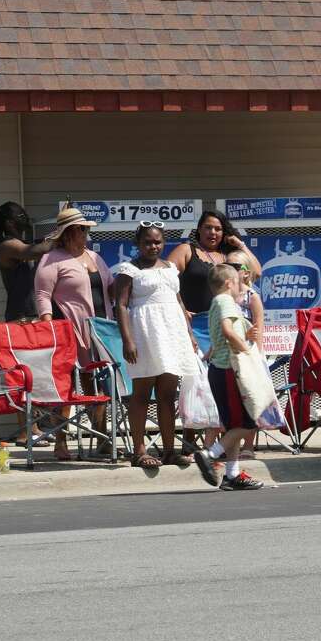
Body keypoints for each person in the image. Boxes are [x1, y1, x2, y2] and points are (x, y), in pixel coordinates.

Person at [113, 223, 198, 469]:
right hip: (145, 333)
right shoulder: (129, 270)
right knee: (141, 393)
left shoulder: (171, 268)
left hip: (172, 334)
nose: (153, 246)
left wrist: (189, 334)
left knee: (167, 394)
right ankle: (139, 451)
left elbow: (179, 302)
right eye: (148, 242)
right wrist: (128, 339)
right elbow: (121, 305)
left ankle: (170, 450)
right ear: (138, 244)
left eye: (158, 242)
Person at [35, 207, 115, 460]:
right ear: (68, 233)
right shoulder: (52, 259)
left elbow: (111, 287)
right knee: (67, 386)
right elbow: (43, 295)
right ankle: (61, 441)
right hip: (70, 330)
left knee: (101, 383)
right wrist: (49, 325)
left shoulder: (94, 256)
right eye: (82, 229)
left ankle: (101, 437)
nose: (86, 233)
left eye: (86, 229)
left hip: (101, 329)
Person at [0, 201, 57, 444]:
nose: (25, 217)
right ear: (9, 222)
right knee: (22, 377)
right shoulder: (7, 246)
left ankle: (34, 428)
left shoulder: (24, 244)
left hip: (33, 316)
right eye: (20, 215)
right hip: (20, 318)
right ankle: (26, 431)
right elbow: (34, 252)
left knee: (35, 376)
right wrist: (60, 231)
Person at [191, 264, 264, 490]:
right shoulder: (225, 301)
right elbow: (227, 331)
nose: (241, 288)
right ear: (228, 284)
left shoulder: (217, 303)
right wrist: (246, 350)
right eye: (239, 283)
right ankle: (210, 454)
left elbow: (223, 335)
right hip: (229, 370)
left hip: (220, 370)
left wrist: (246, 333)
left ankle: (232, 474)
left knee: (233, 426)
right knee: (250, 423)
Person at [168, 210, 263, 353]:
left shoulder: (229, 257)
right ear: (199, 229)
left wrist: (240, 245)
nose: (213, 232)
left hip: (226, 323)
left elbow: (256, 272)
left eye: (218, 229)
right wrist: (178, 307)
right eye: (208, 227)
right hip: (195, 326)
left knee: (223, 371)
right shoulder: (186, 250)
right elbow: (165, 279)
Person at [226, 252, 263, 459]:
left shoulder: (251, 296)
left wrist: (256, 356)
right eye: (228, 265)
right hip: (228, 356)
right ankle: (229, 446)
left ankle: (248, 446)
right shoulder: (223, 296)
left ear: (246, 273)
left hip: (248, 355)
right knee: (232, 402)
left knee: (249, 400)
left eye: (236, 266)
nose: (231, 269)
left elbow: (258, 328)